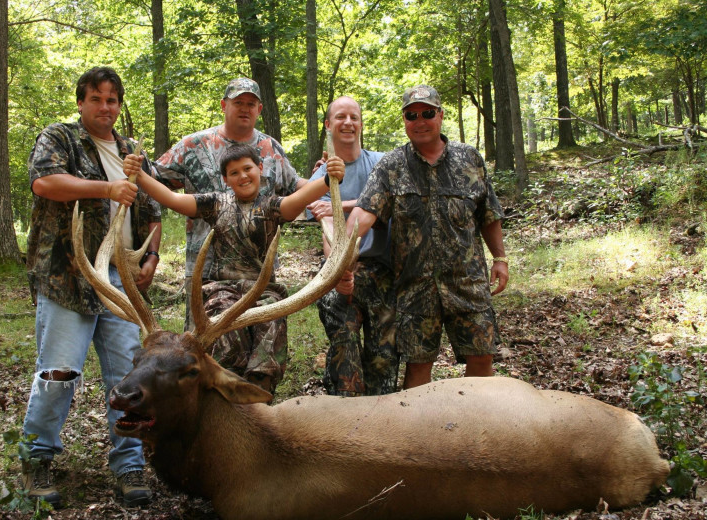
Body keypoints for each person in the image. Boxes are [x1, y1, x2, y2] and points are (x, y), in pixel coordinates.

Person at [21, 66, 161, 509]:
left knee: (127, 376)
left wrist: (152, 256)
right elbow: (45, 183)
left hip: (120, 284)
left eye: (113, 100)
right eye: (96, 99)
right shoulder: (60, 138)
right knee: (59, 373)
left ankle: (129, 464)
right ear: (81, 102)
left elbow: (154, 208)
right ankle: (37, 457)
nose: (105, 108)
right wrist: (107, 187)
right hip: (69, 276)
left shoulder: (130, 149)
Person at [124, 143, 344, 393]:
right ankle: (223, 392)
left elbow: (299, 199)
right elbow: (173, 199)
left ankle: (260, 395)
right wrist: (140, 174)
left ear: (260, 169)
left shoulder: (272, 206)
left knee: (270, 330)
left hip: (264, 292)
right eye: (234, 172)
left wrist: (329, 178)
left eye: (247, 168)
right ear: (226, 179)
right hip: (222, 290)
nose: (243, 176)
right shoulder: (215, 203)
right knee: (225, 333)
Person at [344, 85, 509, 389]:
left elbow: (489, 214)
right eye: (411, 115)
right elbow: (363, 214)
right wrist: (342, 258)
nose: (420, 120)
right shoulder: (392, 166)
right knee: (418, 366)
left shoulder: (469, 159)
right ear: (405, 120)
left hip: (468, 284)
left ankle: (477, 426)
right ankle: (420, 435)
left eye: (427, 113)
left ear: (440, 115)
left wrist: (499, 258)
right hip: (415, 287)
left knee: (482, 357)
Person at [150, 78, 308, 330]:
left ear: (259, 109)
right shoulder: (193, 146)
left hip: (258, 273)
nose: (245, 108)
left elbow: (295, 186)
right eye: (238, 103)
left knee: (260, 342)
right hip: (205, 269)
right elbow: (153, 179)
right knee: (202, 343)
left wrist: (327, 182)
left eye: (251, 103)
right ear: (224, 105)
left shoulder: (271, 148)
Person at [305, 96, 398, 396]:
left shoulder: (383, 163)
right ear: (328, 124)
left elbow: (389, 200)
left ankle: (382, 414)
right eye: (341, 117)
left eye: (354, 117)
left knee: (383, 357)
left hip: (382, 269)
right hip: (341, 266)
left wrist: (342, 204)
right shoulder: (320, 178)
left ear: (360, 123)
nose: (348, 123)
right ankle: (345, 406)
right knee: (344, 342)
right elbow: (327, 229)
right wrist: (339, 273)